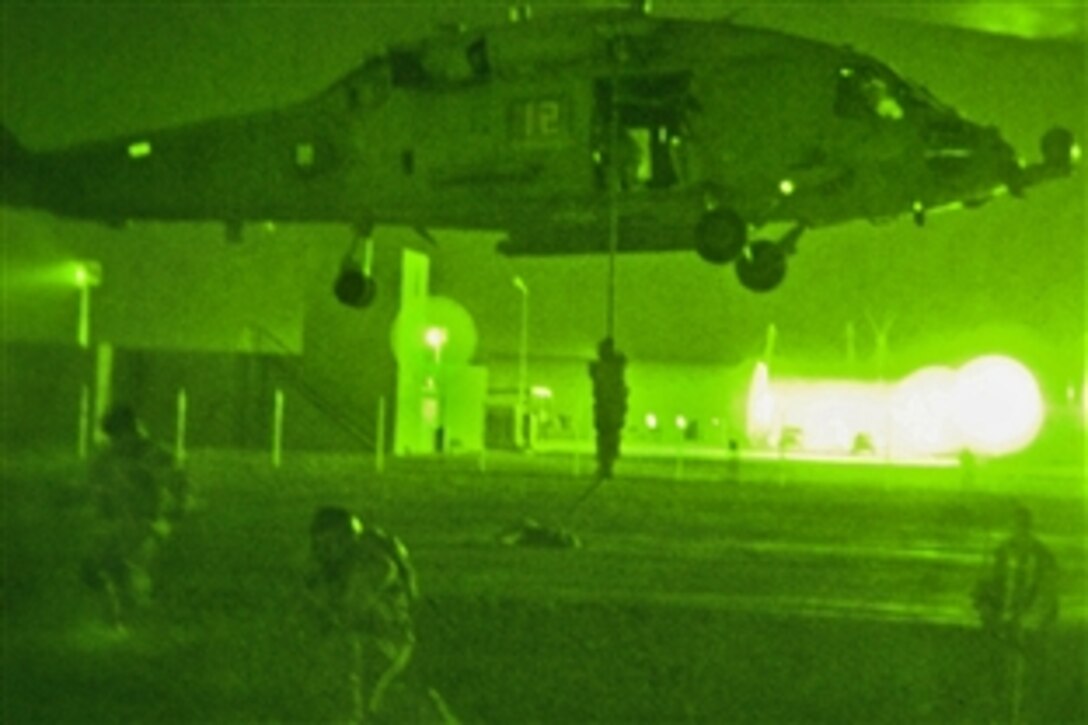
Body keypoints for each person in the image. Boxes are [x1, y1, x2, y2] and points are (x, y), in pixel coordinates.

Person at [305, 506, 419, 721]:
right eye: (319, 545)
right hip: (373, 635)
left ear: (346, 540)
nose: (323, 552)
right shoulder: (344, 563)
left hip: (387, 640)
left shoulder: (371, 565)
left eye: (329, 544)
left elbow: (349, 611)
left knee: (353, 687)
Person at [83, 403, 187, 629]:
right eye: (113, 437)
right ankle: (121, 616)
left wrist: (164, 520)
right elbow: (97, 494)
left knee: (128, 568)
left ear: (130, 431)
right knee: (96, 568)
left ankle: (136, 612)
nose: (116, 442)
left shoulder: (155, 456)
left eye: (119, 435)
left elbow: (176, 493)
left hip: (148, 524)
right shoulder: (105, 459)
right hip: (120, 524)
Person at [971, 504, 1059, 723]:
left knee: (1025, 684)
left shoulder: (1042, 556)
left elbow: (1048, 595)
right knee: (998, 681)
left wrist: (1031, 622)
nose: (1018, 531)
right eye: (1015, 526)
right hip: (1002, 628)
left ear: (1029, 527)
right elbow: (985, 586)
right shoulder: (1001, 553)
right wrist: (987, 611)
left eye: (1023, 526)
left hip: (1028, 633)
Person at [588, 337, 629, 481]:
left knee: (609, 437)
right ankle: (605, 465)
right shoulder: (603, 368)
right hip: (606, 408)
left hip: (610, 408)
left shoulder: (612, 368)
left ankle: (607, 465)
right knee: (606, 437)